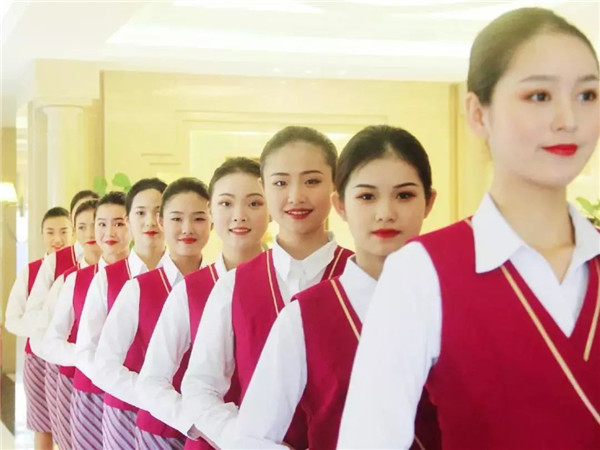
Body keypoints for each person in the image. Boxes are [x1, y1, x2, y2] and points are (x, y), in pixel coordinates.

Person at [338, 7, 600, 449]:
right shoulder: (421, 273)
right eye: (539, 95)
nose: (568, 119)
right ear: (478, 113)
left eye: (587, 95)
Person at [235, 125, 440, 450]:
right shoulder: (304, 317)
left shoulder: (456, 303)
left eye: (404, 195)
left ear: (429, 202)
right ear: (340, 204)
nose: (385, 213)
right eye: (367, 196)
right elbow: (251, 436)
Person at [181, 126, 353, 448]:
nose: (296, 196)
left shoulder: (360, 277)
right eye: (280, 183)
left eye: (312, 181)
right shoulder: (233, 286)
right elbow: (200, 387)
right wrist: (247, 441)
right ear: (264, 188)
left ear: (336, 184)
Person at [136, 157, 269, 447]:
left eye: (254, 203)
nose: (239, 216)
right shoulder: (191, 290)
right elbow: (151, 381)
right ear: (210, 212)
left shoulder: (290, 284)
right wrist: (209, 425)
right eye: (226, 203)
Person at [94, 177, 211, 449]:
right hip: (155, 428)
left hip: (212, 430)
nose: (187, 229)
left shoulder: (221, 285)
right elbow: (105, 366)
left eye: (198, 218)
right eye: (176, 218)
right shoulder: (138, 288)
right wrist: (164, 403)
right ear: (163, 222)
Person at [75, 180, 168, 449]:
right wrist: (144, 393)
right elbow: (87, 350)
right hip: (122, 404)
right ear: (129, 220)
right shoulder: (107, 278)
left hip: (178, 412)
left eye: (159, 212)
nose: (151, 221)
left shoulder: (189, 279)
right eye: (141, 213)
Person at [4, 206, 72, 450]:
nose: (57, 239)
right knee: (43, 427)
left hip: (70, 360)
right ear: (41, 234)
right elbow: (12, 319)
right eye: (50, 232)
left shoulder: (84, 269)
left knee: (69, 430)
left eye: (64, 231)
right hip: (37, 360)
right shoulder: (31, 271)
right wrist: (45, 325)